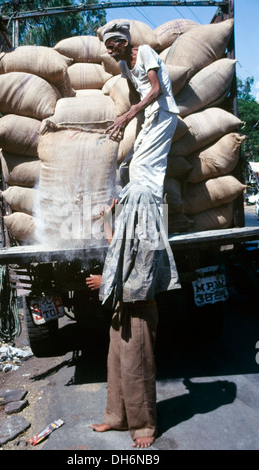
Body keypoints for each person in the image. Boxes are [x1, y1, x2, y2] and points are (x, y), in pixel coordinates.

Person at [86, 182, 181, 448]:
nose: (124, 210)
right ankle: (117, 417)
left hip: (139, 309)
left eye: (128, 206)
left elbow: (143, 278)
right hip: (123, 308)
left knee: (137, 368)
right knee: (116, 365)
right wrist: (107, 220)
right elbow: (118, 248)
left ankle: (143, 426)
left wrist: (105, 282)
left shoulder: (150, 237)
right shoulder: (135, 228)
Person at [101, 20, 179, 209]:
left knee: (143, 167)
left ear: (125, 43)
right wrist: (123, 122)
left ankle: (153, 220)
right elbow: (135, 99)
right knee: (127, 167)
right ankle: (135, 213)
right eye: (108, 49)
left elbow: (156, 89)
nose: (110, 52)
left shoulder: (145, 52)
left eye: (112, 47)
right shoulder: (124, 66)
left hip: (164, 112)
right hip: (150, 116)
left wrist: (127, 116)